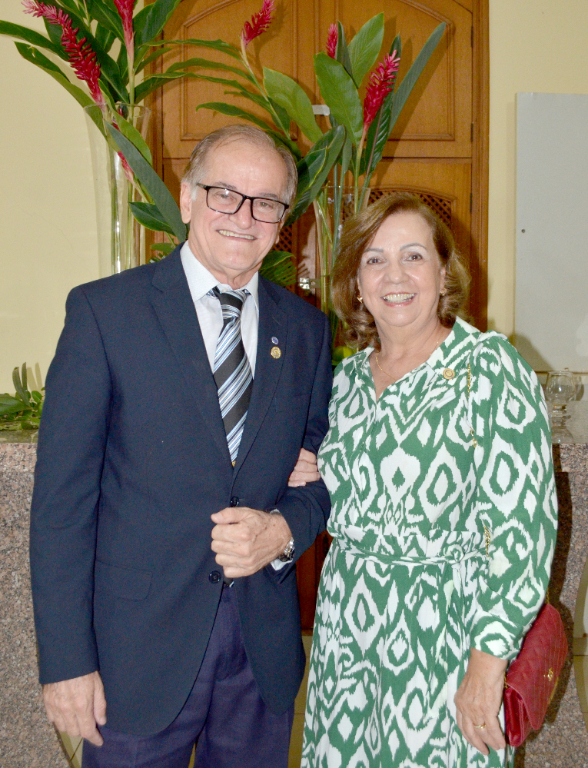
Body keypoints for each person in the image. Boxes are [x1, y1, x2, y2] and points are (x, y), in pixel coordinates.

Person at [30, 123, 332, 768]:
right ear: (188, 198)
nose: (244, 217)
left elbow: (319, 473)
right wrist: (65, 665)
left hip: (261, 654)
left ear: (283, 220)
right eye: (225, 193)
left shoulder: (306, 330)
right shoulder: (104, 314)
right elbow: (61, 507)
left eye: (267, 202)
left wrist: (283, 529)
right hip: (132, 658)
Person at [301, 192, 557, 767]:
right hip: (348, 637)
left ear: (444, 272)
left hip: (445, 638)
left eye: (413, 256)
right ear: (356, 282)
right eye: (373, 259)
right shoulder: (341, 382)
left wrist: (487, 666)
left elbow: (523, 532)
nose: (394, 275)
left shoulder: (488, 369)